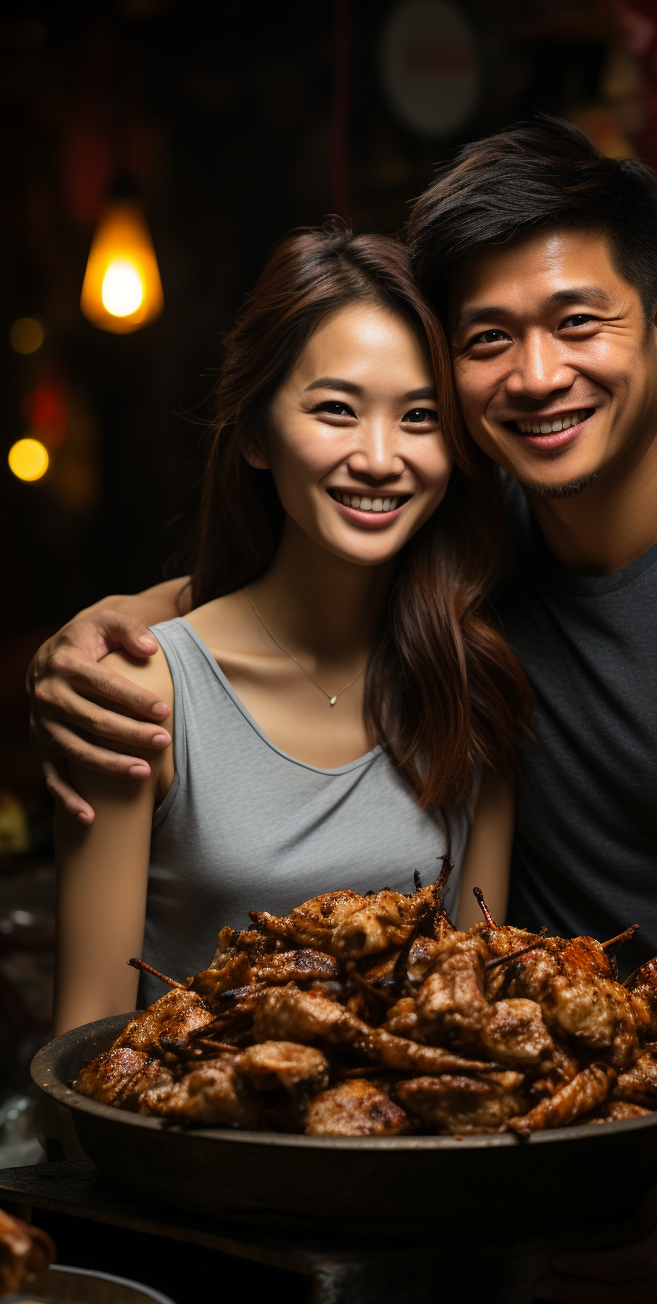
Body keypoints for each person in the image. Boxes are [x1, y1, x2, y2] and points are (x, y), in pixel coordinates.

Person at [29, 120, 657, 1304]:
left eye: (577, 322)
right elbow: (306, 568)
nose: (538, 375)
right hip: (525, 1157)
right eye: (488, 340)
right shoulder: (469, 560)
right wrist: (113, 630)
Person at [49, 224, 530, 1050]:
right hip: (181, 1157)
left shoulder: (471, 688)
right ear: (256, 436)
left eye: (419, 417)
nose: (381, 458)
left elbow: (472, 1029)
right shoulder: (143, 691)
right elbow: (82, 1051)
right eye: (336, 410)